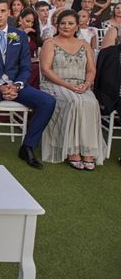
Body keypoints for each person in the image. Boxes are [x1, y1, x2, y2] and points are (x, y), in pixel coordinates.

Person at [0, 0, 56, 169]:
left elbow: (26, 66)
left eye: (3, 11)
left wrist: (17, 85)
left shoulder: (18, 35)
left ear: (8, 12)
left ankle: (27, 147)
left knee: (47, 102)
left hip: (16, 85)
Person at [39, 9, 106, 169]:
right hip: (55, 84)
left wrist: (87, 83)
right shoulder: (50, 43)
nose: (66, 26)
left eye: (70, 23)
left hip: (81, 85)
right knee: (74, 101)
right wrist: (68, 85)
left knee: (91, 103)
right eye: (63, 23)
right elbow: (46, 69)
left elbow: (91, 70)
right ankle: (72, 150)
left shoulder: (84, 45)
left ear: (77, 26)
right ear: (57, 25)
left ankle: (88, 150)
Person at [16, 8, 42, 89]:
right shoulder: (12, 33)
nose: (30, 25)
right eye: (27, 21)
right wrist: (23, 34)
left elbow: (37, 53)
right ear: (20, 19)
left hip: (33, 63)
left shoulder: (32, 35)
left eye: (32, 22)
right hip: (18, 65)